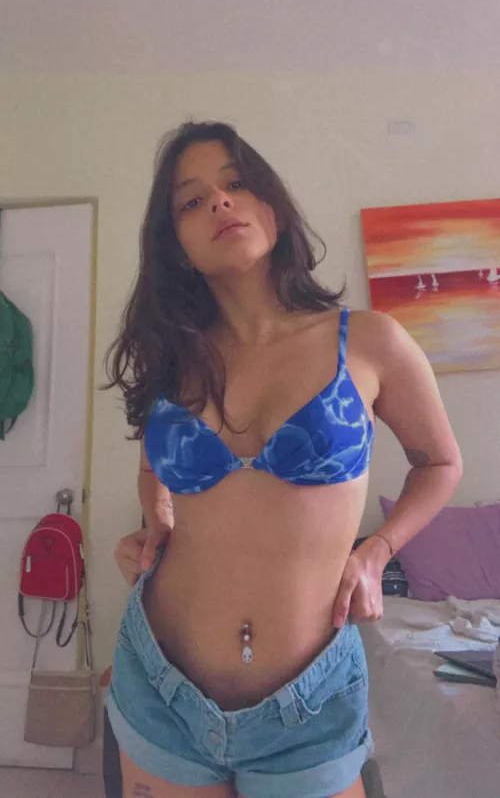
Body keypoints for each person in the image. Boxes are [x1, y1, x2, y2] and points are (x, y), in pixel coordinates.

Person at [105, 121, 462, 798]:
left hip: (310, 700)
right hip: (161, 678)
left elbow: (440, 463)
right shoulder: (171, 361)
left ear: (271, 204)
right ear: (175, 245)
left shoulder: (370, 342)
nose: (219, 201)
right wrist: (157, 523)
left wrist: (378, 551)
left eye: (236, 182)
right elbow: (153, 467)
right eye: (191, 200)